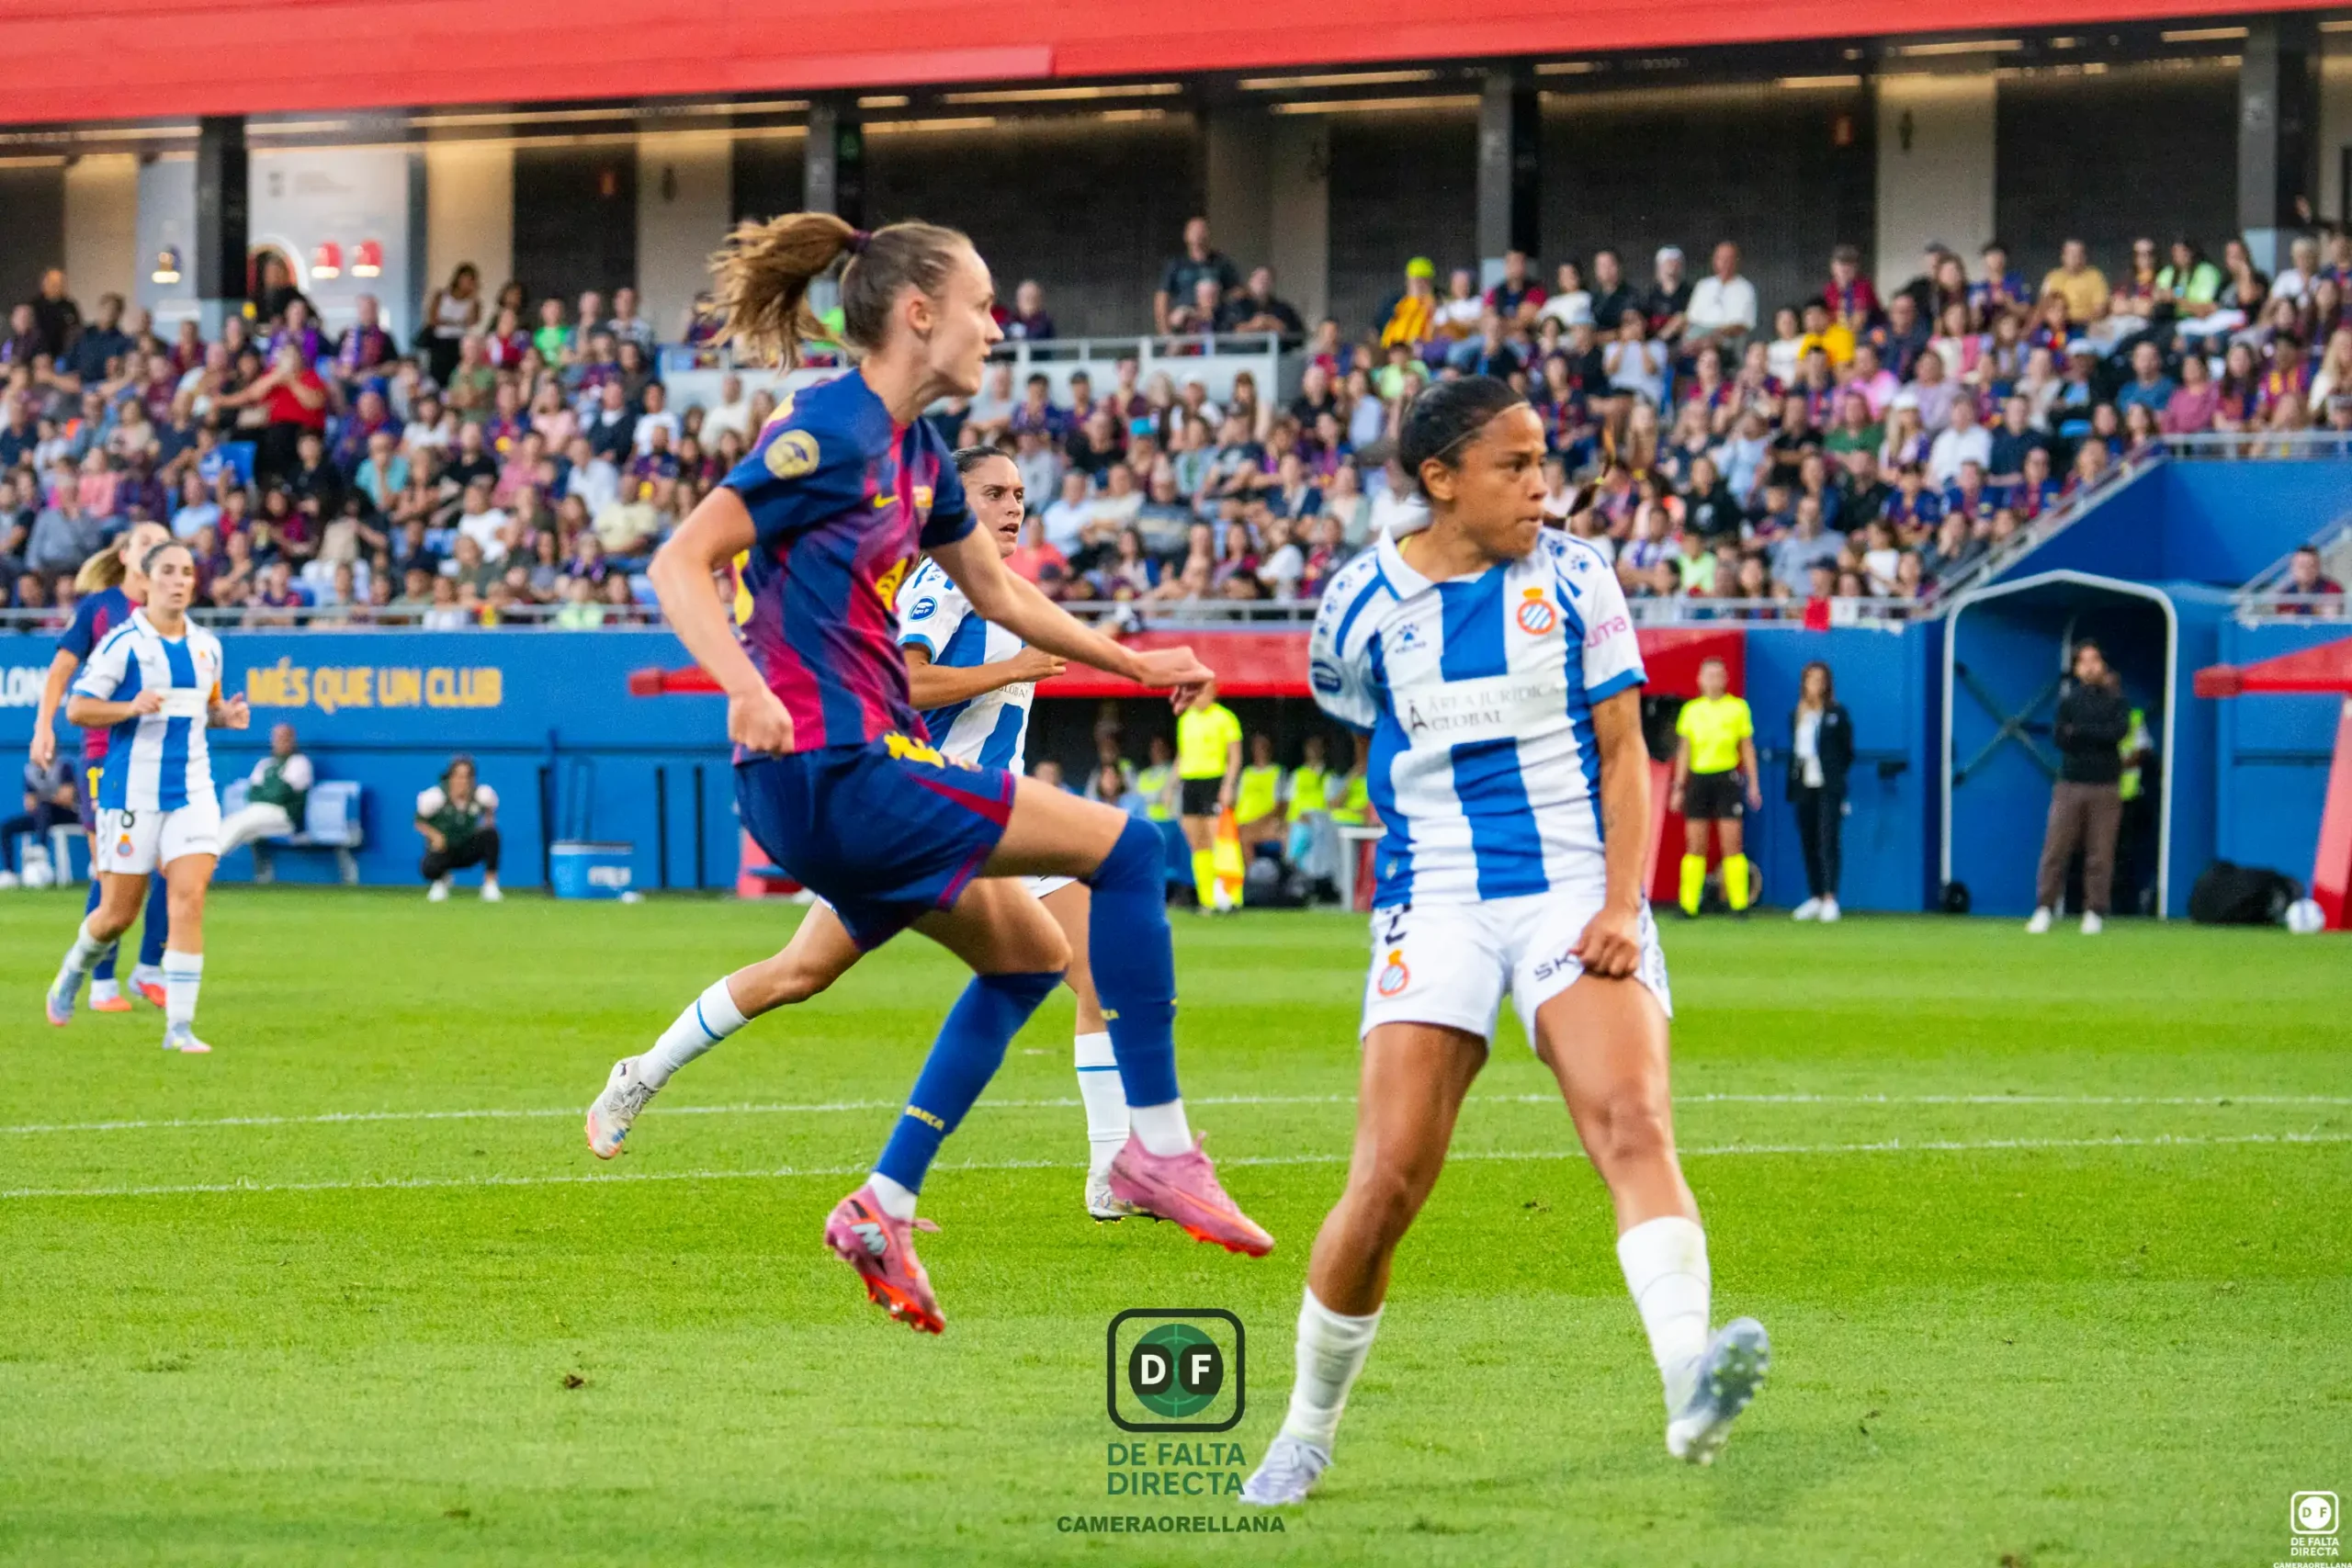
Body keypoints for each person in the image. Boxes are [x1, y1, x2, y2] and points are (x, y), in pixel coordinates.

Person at [603, 212, 1270, 1337]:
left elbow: (1006, 597)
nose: (998, 326)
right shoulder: (828, 430)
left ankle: (884, 1200)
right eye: (983, 304)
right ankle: (1153, 1152)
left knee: (1029, 960)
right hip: (834, 766)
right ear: (919, 314)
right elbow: (679, 562)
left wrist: (1133, 661)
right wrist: (745, 687)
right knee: (1136, 848)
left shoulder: (917, 457)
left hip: (839, 782)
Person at [1242, 378, 1768, 1508]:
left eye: (1545, 462)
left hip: (1571, 890)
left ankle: (1690, 1382)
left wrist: (1623, 904)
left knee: (1630, 1120)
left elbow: (1627, 752)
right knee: (1385, 1181)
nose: (1543, 485)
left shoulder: (1578, 575)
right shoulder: (1354, 604)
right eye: (1516, 467)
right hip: (1434, 897)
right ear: (1440, 480)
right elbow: (1354, 711)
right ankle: (1303, 1431)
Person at [585, 446, 1148, 1222]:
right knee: (798, 974)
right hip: (922, 817)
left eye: (1020, 493)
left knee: (1100, 974)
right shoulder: (939, 582)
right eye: (993, 492)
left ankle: (1110, 1171)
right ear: (954, 503)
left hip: (999, 821)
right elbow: (906, 682)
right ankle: (643, 1072)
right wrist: (1011, 666)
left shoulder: (1006, 591)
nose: (1013, 506)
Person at [46, 540, 248, 1052]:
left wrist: (226, 716)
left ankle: (179, 1028)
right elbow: (78, 708)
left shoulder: (208, 646)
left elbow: (210, 706)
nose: (180, 581)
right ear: (147, 579)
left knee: (189, 897)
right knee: (118, 914)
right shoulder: (122, 643)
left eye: (187, 572)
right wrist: (128, 707)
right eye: (169, 572)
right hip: (131, 789)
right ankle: (75, 969)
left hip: (193, 789)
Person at [28, 524, 175, 1011]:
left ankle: (148, 969)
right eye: (146, 541)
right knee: (111, 872)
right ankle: (102, 982)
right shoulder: (99, 609)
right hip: (104, 755)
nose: (156, 546)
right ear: (127, 554)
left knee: (171, 867)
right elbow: (60, 673)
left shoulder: (170, 613)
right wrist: (43, 727)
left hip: (156, 754)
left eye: (163, 540)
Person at [2028, 639, 2130, 935]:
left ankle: (2094, 910)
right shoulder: (2068, 702)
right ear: (2075, 668)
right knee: (2056, 849)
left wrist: (2082, 732)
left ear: (2103, 665)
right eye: (2083, 661)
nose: (2089, 666)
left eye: (2094, 660)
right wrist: (2090, 734)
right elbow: (2061, 738)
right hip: (2070, 783)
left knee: (2100, 852)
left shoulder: (2117, 702)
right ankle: (2044, 907)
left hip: (2106, 785)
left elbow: (2116, 733)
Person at [1669, 659, 1761, 917]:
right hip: (1699, 780)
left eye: (1719, 675)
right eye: (1708, 675)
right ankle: (1688, 904)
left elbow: (1747, 748)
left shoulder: (1737, 708)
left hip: (1727, 779)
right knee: (1695, 844)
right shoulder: (1691, 710)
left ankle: (1739, 904)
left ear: (1726, 679)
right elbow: (1685, 751)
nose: (1714, 680)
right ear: (1700, 679)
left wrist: (1753, 784)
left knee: (1732, 843)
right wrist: (1678, 786)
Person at [1786, 660, 1853, 923]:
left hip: (1828, 785)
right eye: (1811, 679)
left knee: (1828, 840)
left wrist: (1834, 773)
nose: (1816, 684)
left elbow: (1847, 751)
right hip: (1803, 784)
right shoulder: (1797, 714)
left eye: (1820, 679)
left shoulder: (1837, 713)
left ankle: (1829, 897)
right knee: (1809, 840)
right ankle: (1814, 895)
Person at [1175, 688, 1243, 912]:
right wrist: (1171, 784)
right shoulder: (1186, 719)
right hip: (1190, 782)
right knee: (1196, 841)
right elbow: (1182, 755)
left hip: (1213, 780)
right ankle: (1207, 899)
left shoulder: (1225, 718)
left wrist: (1228, 785)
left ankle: (1230, 896)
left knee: (1219, 839)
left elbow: (1234, 756)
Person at [219, 723, 315, 871]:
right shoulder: (265, 763)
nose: (280, 742)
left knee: (242, 824)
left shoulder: (299, 762)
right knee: (232, 822)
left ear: (292, 740)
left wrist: (266, 791)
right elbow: (252, 793)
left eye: (284, 738)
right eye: (276, 738)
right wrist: (270, 791)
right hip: (257, 810)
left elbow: (281, 795)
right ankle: (204, 862)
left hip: (284, 816)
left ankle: (206, 862)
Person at [415, 756, 501, 902]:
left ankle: (490, 884)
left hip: (467, 847)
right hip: (444, 848)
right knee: (428, 868)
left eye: (467, 777)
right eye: (459, 776)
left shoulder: (482, 795)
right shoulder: (435, 797)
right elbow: (419, 822)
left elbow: (490, 812)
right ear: (450, 777)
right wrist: (435, 836)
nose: (463, 781)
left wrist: (486, 822)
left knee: (491, 835)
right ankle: (440, 880)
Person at [1, 751, 76, 887]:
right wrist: (48, 798)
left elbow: (67, 798)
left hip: (67, 814)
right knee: (7, 827)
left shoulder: (64, 766)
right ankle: (9, 872)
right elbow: (29, 804)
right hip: (41, 816)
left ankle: (41, 849)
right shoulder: (30, 771)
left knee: (44, 806)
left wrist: (42, 798)